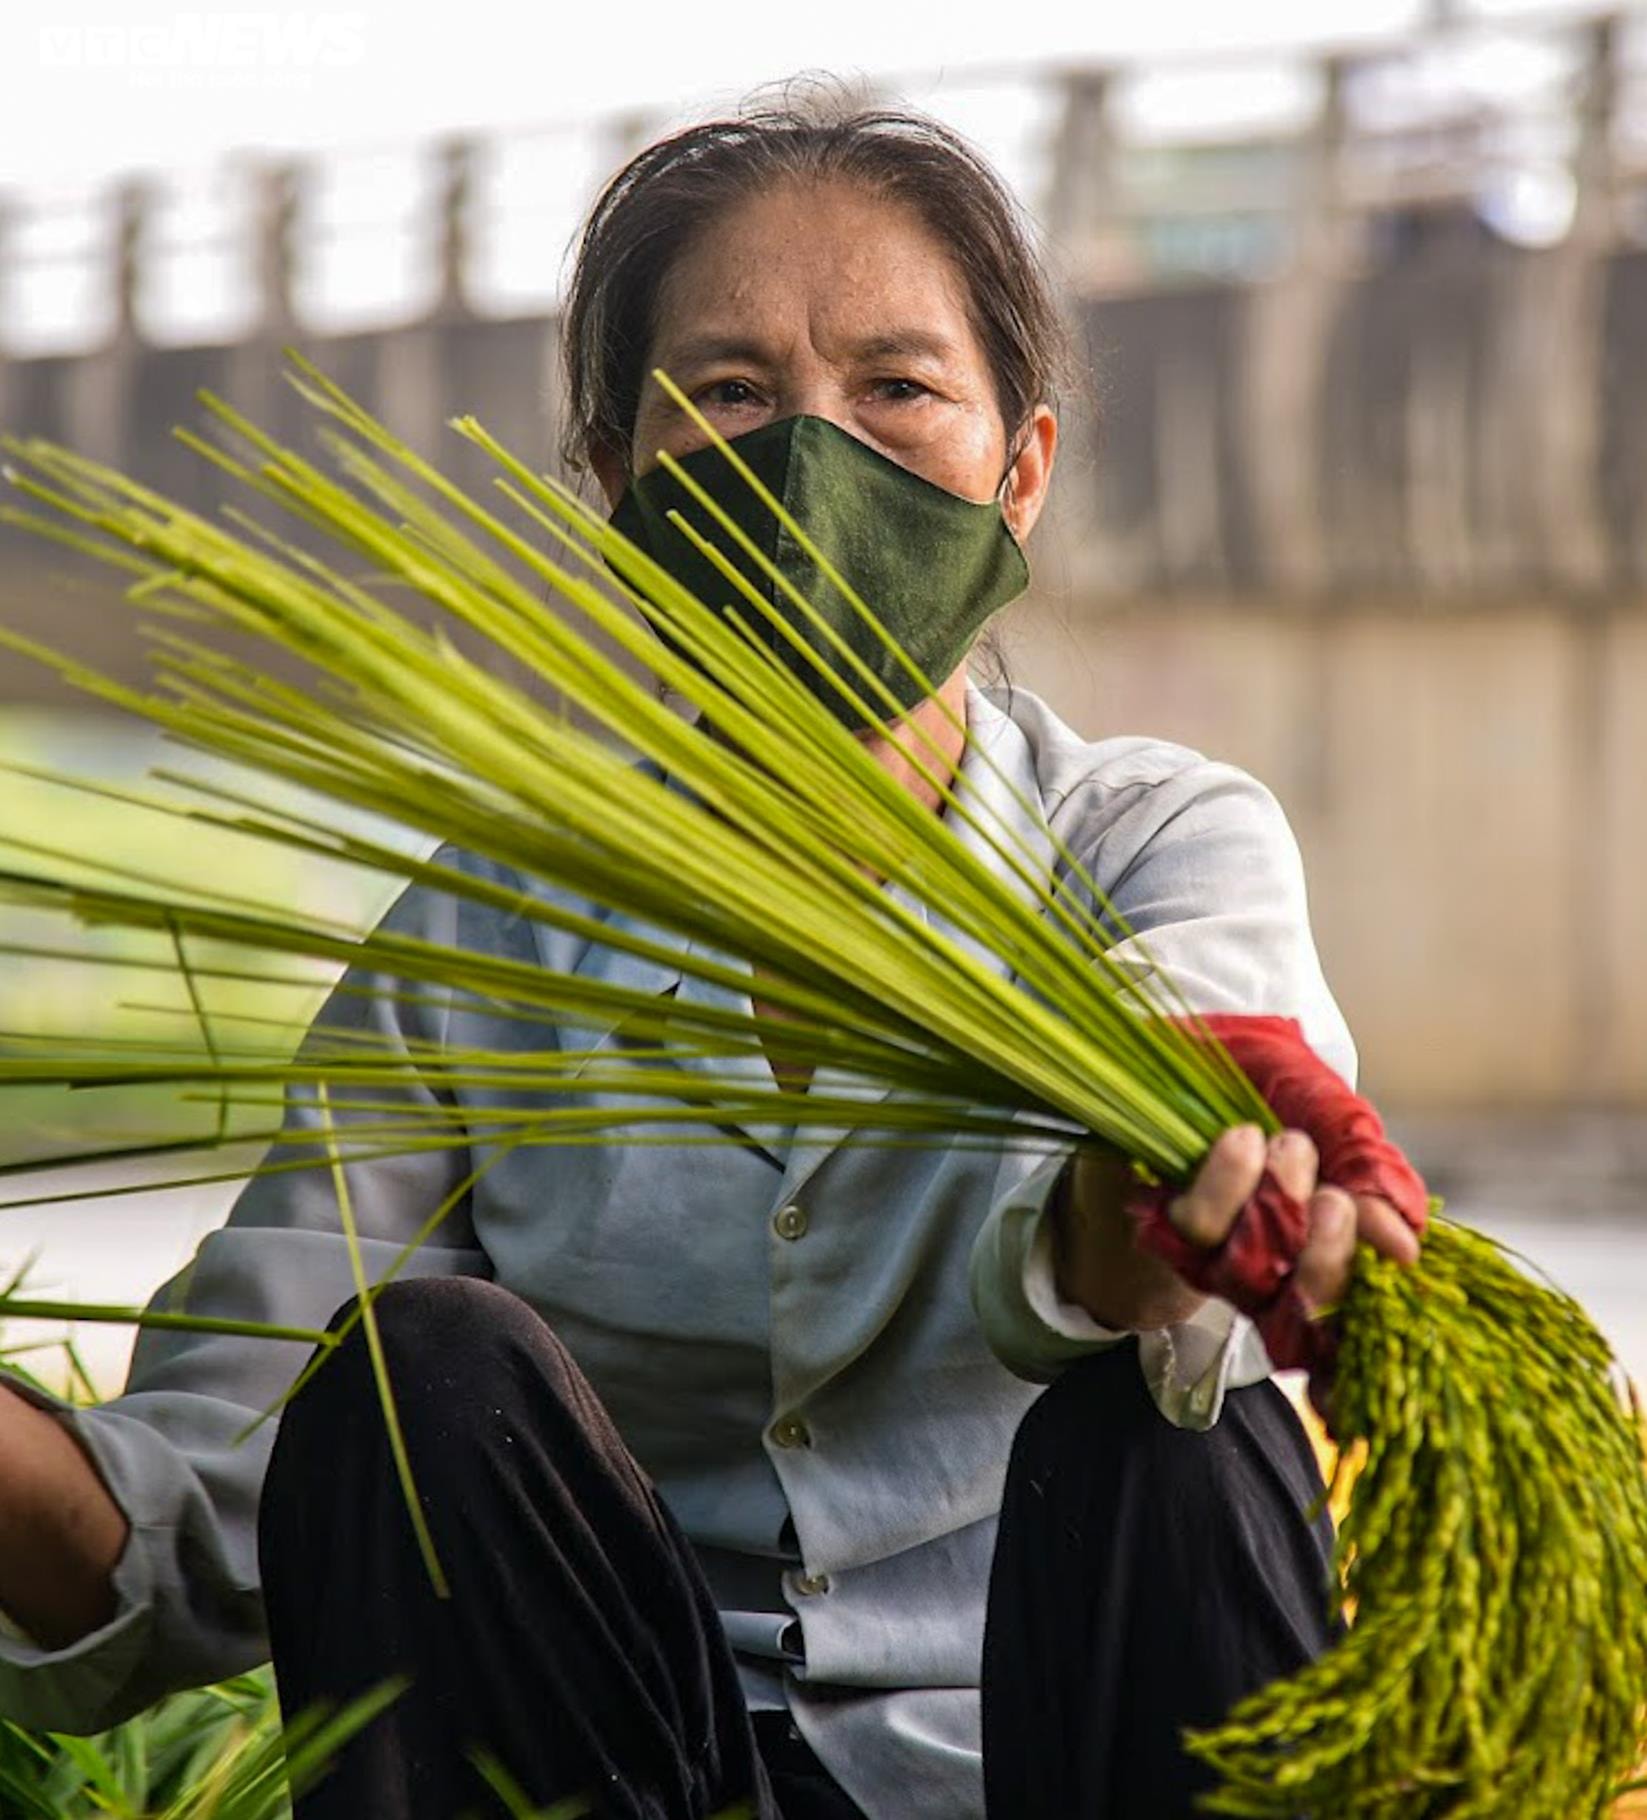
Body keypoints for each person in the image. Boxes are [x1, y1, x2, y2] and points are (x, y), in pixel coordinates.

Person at [0, 96, 1425, 1818]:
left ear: (1020, 470)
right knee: (423, 1371)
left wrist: (1142, 1226)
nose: (808, 458)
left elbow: (1188, 1077)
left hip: (1044, 1750)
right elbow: (178, 1529)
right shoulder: (488, 927)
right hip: (630, 1762)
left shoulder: (1151, 843)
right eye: (730, 398)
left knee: (1175, 1429)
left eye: (897, 389)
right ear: (612, 477)